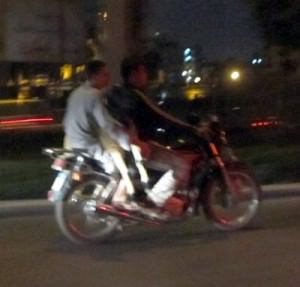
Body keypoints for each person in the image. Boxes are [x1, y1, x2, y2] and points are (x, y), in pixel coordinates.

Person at [105, 56, 193, 208]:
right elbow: (161, 116)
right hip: (140, 146)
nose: (146, 76)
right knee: (182, 166)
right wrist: (190, 129)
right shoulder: (136, 96)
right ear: (134, 75)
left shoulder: (120, 92)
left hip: (126, 145)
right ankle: (154, 202)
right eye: (143, 72)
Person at [63, 60, 138, 208]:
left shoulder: (76, 93)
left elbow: (66, 121)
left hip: (74, 143)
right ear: (95, 76)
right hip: (89, 145)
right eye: (105, 74)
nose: (108, 77)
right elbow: (106, 124)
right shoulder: (95, 95)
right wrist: (126, 141)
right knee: (117, 168)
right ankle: (115, 202)